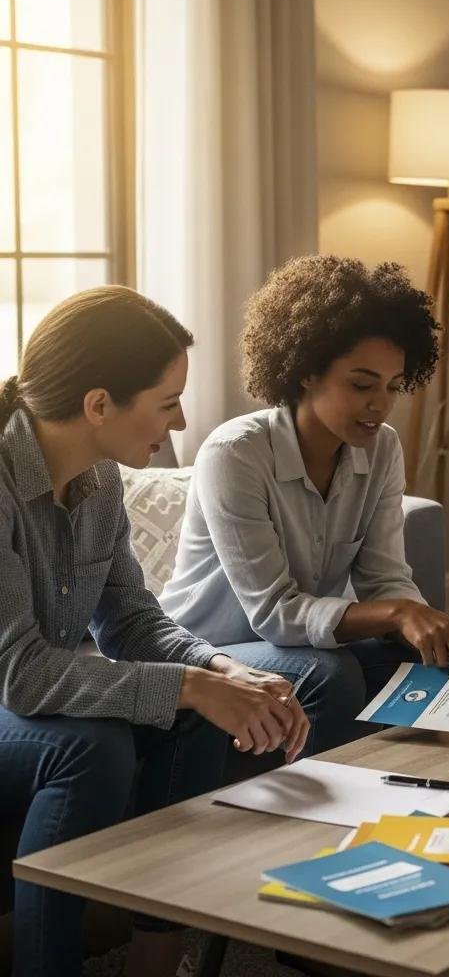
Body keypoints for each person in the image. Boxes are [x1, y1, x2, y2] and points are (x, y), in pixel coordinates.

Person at [0, 286, 310, 977]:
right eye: (167, 402)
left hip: (22, 699)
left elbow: (131, 619)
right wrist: (192, 684)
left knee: (193, 712)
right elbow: (21, 675)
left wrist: (219, 672)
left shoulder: (100, 479)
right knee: (91, 749)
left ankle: (156, 951)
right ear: (99, 404)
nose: (179, 421)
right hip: (7, 699)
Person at [160, 255, 449, 754]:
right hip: (211, 649)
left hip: (290, 639)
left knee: (413, 663)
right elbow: (275, 613)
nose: (380, 404)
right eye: (362, 384)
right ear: (305, 371)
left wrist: (433, 634)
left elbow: (385, 579)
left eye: (393, 387)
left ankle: (412, 791)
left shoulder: (381, 448)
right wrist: (399, 612)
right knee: (330, 672)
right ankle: (334, 799)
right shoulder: (235, 454)